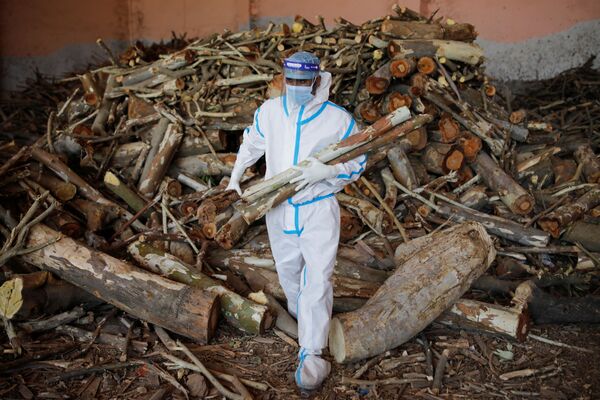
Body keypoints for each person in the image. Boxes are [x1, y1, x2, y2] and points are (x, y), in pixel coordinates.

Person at [226, 51, 366, 390]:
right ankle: (306, 323)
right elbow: (253, 143)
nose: (298, 87)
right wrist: (235, 175)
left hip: (318, 208)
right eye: (292, 81)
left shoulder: (337, 119)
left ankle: (312, 353)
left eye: (304, 82)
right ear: (284, 79)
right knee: (289, 273)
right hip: (279, 209)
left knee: (318, 277)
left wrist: (328, 171)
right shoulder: (271, 112)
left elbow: (358, 159)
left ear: (317, 80)